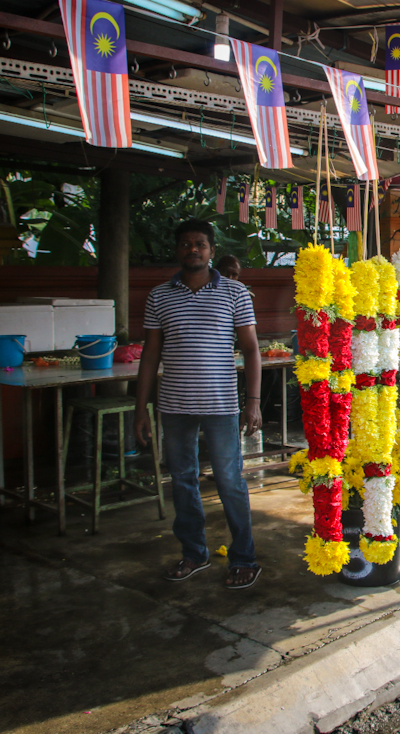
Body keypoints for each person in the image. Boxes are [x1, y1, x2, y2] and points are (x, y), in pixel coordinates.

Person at [135, 219, 264, 589]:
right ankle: (194, 553)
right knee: (182, 481)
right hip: (174, 406)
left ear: (210, 250)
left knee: (229, 481)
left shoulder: (235, 294)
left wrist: (252, 403)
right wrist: (139, 408)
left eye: (201, 244)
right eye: (187, 243)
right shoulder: (159, 296)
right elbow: (150, 355)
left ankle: (244, 558)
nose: (194, 249)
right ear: (177, 250)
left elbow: (252, 350)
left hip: (222, 406)